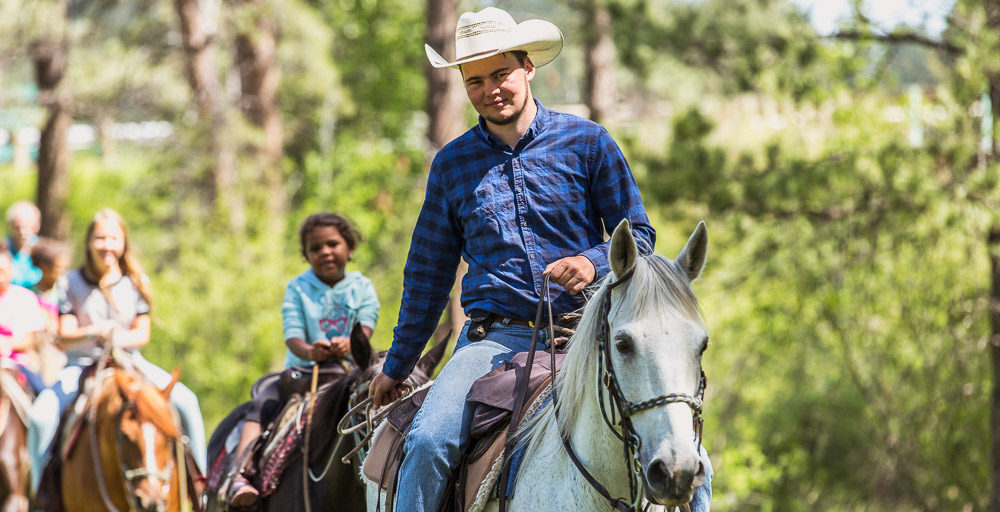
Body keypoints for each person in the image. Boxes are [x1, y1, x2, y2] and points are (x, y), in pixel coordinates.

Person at [367, 7, 712, 511]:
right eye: (475, 81)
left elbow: (639, 234)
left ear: (527, 67)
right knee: (428, 442)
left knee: (692, 457)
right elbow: (427, 275)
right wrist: (398, 365)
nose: (491, 90)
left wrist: (592, 263)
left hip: (587, 333)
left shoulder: (588, 143)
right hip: (492, 339)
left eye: (501, 74)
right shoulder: (451, 166)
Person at [27, 209, 207, 493]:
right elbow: (65, 335)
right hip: (81, 365)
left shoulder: (135, 280)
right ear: (89, 242)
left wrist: (117, 338)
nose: (107, 245)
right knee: (41, 418)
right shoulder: (70, 282)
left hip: (130, 362)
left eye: (113, 238)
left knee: (187, 402)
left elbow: (142, 333)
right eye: (100, 238)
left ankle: (201, 486)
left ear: (123, 243)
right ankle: (41, 496)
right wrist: (93, 332)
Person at [227, 212, 380, 507]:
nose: (325, 252)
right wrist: (310, 351)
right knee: (262, 402)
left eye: (333, 244)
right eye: (315, 248)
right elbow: (292, 335)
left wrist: (351, 342)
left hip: (349, 373)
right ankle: (240, 473)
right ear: (306, 255)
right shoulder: (297, 288)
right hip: (305, 373)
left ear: (350, 247)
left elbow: (367, 323)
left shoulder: (362, 287)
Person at [0, 250, 47, 393]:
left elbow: (28, 340)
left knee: (44, 397)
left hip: (17, 365)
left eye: (2, 271)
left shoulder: (25, 298)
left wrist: (5, 343)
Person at [29, 237, 71, 384]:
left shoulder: (65, 291)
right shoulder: (30, 293)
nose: (61, 271)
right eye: (57, 267)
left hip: (62, 347)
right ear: (43, 266)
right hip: (38, 348)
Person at [5, 200, 43, 288]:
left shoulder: (43, 251)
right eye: (17, 227)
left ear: (36, 226)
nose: (22, 232)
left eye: (25, 226)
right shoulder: (3, 249)